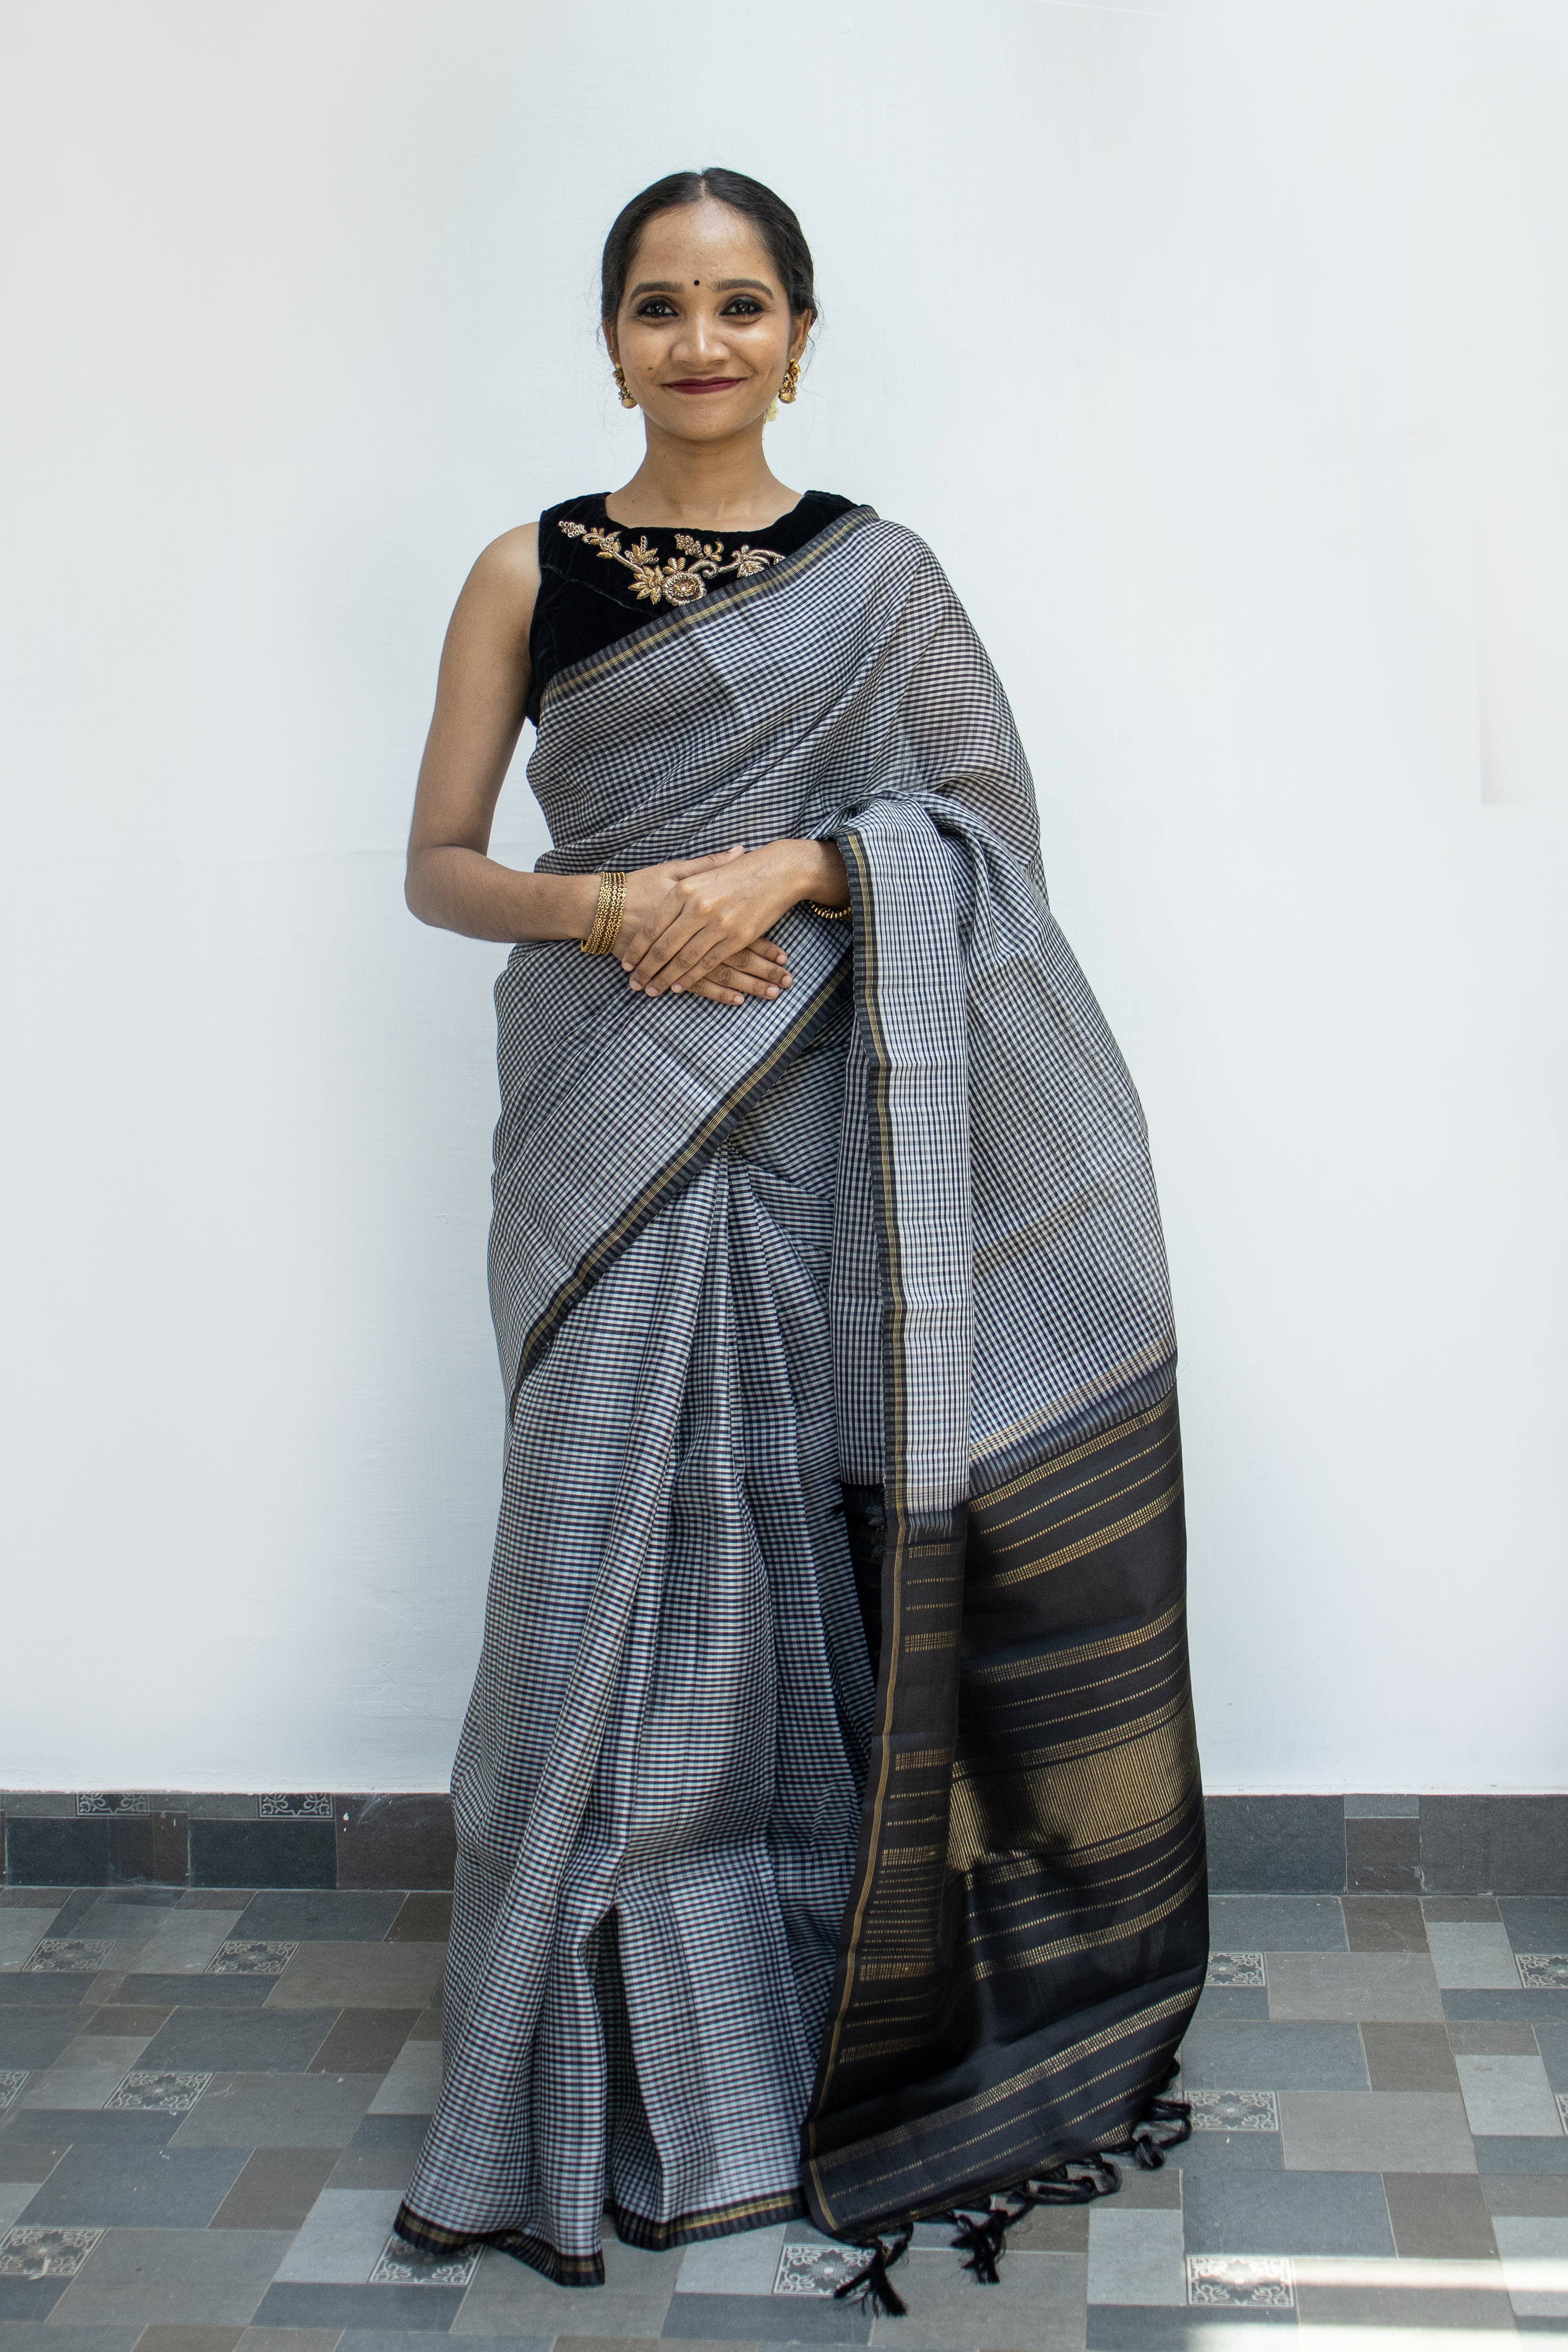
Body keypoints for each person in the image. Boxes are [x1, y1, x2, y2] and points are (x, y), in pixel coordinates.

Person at [393, 167, 1207, 2306]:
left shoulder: (881, 578)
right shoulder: (526, 569)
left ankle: (783, 2040)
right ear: (611, 338)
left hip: (815, 1124)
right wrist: (615, 910)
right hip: (602, 1116)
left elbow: (987, 834)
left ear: (801, 335)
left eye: (740, 303)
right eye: (660, 305)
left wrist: (794, 872)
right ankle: (566, 2056)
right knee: (586, 1568)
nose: (701, 342)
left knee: (787, 1571)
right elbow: (443, 865)